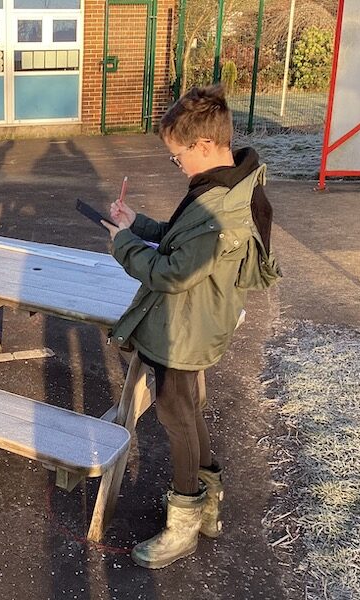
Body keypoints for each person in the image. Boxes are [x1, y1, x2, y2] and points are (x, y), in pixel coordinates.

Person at [101, 85, 280, 569]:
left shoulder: (221, 207)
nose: (176, 166)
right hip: (192, 320)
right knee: (190, 412)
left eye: (177, 158)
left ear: (203, 145)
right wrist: (137, 223)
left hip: (186, 328)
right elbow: (182, 240)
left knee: (176, 417)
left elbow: (173, 271)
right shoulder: (221, 183)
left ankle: (184, 523)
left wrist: (122, 246)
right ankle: (209, 504)